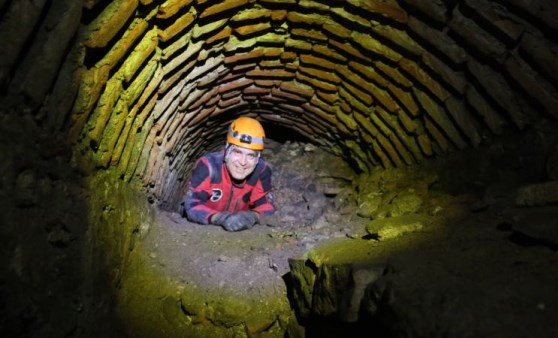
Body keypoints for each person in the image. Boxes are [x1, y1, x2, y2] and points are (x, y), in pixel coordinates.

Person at [183, 116, 275, 231]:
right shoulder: (209, 166)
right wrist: (220, 218)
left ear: (257, 158)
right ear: (227, 150)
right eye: (237, 152)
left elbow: (267, 206)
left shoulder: (261, 171)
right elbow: (192, 206)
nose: (243, 162)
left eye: (250, 155)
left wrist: (252, 216)